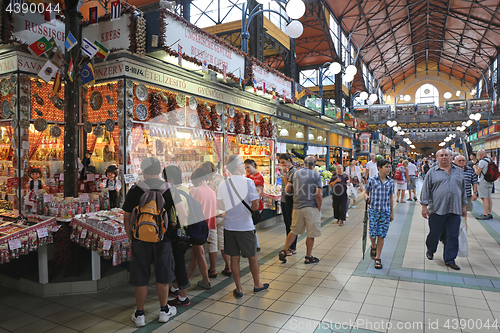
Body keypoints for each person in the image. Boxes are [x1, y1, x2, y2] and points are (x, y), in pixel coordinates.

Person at [123, 157, 186, 327]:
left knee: (141, 277)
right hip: (163, 239)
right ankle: (164, 310)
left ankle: (140, 314)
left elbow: (127, 218)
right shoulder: (170, 189)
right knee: (163, 276)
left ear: (143, 171)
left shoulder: (135, 190)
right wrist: (172, 224)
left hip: (139, 240)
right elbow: (183, 215)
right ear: (160, 171)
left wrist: (131, 238)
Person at [217, 155, 269, 298]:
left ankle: (238, 289)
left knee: (234, 258)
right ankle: (257, 285)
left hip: (229, 226)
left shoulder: (223, 184)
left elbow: (220, 205)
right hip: (245, 226)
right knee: (252, 256)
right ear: (239, 166)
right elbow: (254, 206)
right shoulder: (248, 183)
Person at [421, 149, 467, 270]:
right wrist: (424, 206)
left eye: (447, 155)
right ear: (437, 158)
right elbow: (425, 189)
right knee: (434, 233)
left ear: (451, 157)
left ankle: (450, 259)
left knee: (452, 234)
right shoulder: (432, 172)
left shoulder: (458, 171)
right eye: (441, 155)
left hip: (455, 209)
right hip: (437, 209)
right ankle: (431, 249)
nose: (444, 157)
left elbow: (463, 189)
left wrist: (463, 206)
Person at [279, 156, 323, 264]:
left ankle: (284, 250)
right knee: (311, 233)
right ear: (314, 165)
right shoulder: (316, 175)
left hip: (297, 207)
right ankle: (308, 257)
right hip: (311, 207)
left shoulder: (296, 173)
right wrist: (319, 208)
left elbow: (288, 189)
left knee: (293, 230)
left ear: (304, 163)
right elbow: (319, 195)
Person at [162, 166, 191, 307]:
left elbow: (178, 216)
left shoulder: (173, 192)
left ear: (171, 179)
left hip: (178, 234)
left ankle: (183, 297)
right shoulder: (185, 189)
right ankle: (175, 288)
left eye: (165, 179)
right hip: (186, 233)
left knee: (179, 265)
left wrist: (174, 225)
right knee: (178, 263)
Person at [200, 161, 231, 277]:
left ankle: (212, 269)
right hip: (224, 213)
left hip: (212, 214)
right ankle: (228, 266)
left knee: (212, 242)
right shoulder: (223, 178)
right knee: (223, 241)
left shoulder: (208, 182)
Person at [186, 167, 215, 289]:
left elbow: (187, 209)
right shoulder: (212, 191)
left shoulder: (194, 191)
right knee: (196, 254)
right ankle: (187, 278)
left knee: (200, 253)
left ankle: (206, 280)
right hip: (206, 226)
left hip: (196, 227)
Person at [364, 159, 394, 269]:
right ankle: (373, 245)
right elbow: (366, 192)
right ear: (379, 168)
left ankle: (378, 257)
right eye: (386, 167)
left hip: (385, 211)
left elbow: (391, 198)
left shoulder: (390, 182)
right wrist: (366, 197)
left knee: (381, 234)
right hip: (373, 210)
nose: (389, 169)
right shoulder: (371, 180)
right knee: (372, 233)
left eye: (389, 167)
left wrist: (392, 212)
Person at [279, 153, 297, 255]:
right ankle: (289, 245)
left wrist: (285, 174)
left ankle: (292, 247)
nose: (282, 165)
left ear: (289, 160)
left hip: (290, 201)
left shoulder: (293, 172)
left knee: (291, 224)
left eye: (283, 162)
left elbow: (288, 187)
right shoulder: (287, 171)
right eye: (281, 163)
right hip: (284, 200)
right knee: (287, 224)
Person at [244, 159, 264, 251]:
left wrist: (253, 202)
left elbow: (259, 193)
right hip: (248, 205)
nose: (247, 169)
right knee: (250, 226)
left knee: (251, 226)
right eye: (245, 168)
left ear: (253, 165)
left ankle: (254, 245)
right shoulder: (247, 176)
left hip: (255, 206)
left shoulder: (259, 177)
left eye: (248, 167)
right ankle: (256, 245)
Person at [474, 149, 493, 220]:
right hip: (490, 181)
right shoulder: (490, 160)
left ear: (480, 155)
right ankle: (489, 213)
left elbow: (477, 173)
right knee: (489, 198)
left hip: (483, 182)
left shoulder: (482, 161)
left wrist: (475, 168)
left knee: (484, 198)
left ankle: (485, 214)